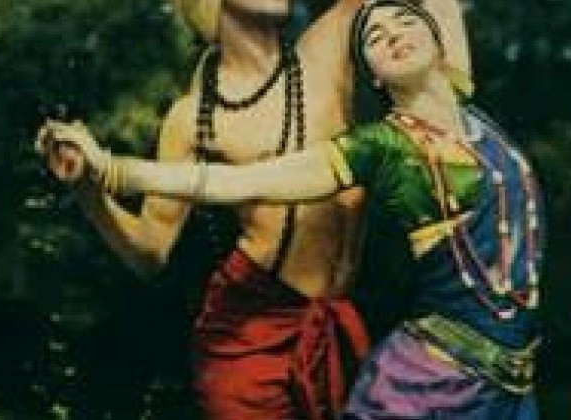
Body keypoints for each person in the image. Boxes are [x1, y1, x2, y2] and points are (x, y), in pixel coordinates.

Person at [39, 0, 544, 418]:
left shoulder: (329, 46)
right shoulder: (194, 117)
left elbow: (429, 39)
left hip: (333, 324)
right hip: (250, 329)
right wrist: (90, 183)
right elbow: (149, 251)